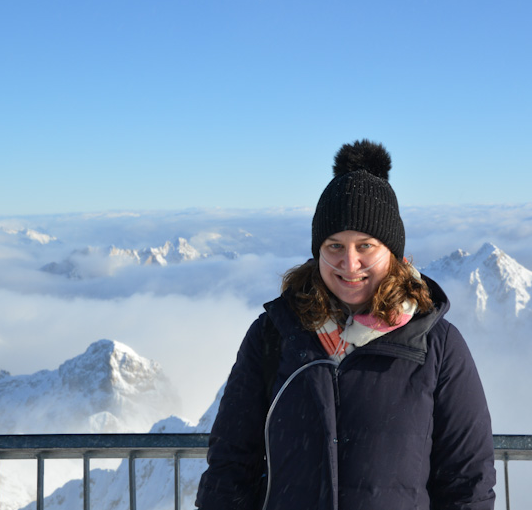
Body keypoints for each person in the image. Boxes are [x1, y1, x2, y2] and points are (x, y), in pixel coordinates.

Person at [195, 140, 496, 509]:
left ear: (394, 254)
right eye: (334, 246)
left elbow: (467, 484)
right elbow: (230, 467)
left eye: (365, 246)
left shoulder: (436, 346)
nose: (349, 264)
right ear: (317, 251)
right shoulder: (275, 334)